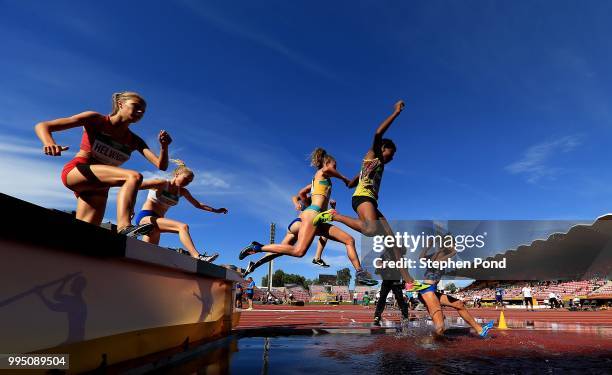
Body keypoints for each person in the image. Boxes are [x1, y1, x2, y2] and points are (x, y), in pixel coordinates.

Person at [312, 101, 425, 291]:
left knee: (393, 242)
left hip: (370, 200)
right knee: (371, 230)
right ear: (383, 148)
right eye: (391, 153)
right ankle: (334, 215)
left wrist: (350, 181)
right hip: (362, 199)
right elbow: (377, 134)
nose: (392, 157)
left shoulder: (373, 164)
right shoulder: (374, 154)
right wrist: (396, 113)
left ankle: (409, 281)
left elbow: (359, 175)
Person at [35, 91, 171, 236]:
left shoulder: (135, 140)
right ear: (120, 104)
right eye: (136, 106)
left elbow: (161, 166)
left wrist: (164, 147)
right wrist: (49, 143)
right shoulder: (95, 119)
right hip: (78, 171)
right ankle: (125, 226)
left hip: (100, 188)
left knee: (86, 235)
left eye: (143, 111)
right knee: (134, 177)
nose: (139, 112)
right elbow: (43, 125)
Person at [240, 148, 377, 286]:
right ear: (326, 163)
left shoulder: (317, 181)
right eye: (334, 166)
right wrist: (345, 179)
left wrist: (306, 202)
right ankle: (257, 247)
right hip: (312, 215)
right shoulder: (321, 173)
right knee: (298, 251)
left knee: (349, 240)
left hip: (318, 218)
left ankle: (360, 272)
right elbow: (326, 171)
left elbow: (301, 193)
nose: (335, 169)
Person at [135, 159, 228, 262]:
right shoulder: (161, 183)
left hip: (158, 223)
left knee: (147, 255)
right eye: (186, 179)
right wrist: (129, 209)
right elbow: (134, 186)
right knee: (182, 227)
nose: (187, 183)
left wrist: (216, 210)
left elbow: (197, 204)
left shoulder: (183, 192)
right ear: (177, 174)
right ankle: (198, 256)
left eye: (190, 181)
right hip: (146, 218)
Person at [241, 185, 334, 277]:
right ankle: (317, 257)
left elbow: (326, 217)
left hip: (296, 227)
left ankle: (253, 266)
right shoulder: (316, 195)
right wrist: (296, 204)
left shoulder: (322, 200)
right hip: (301, 224)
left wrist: (332, 208)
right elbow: (296, 196)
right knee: (325, 232)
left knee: (278, 251)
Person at [416, 241, 494, 338]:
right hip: (426, 291)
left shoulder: (443, 255)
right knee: (440, 328)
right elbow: (424, 259)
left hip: (432, 291)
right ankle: (429, 345)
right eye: (452, 244)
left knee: (459, 304)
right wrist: (428, 247)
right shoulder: (437, 255)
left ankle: (480, 330)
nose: (454, 246)